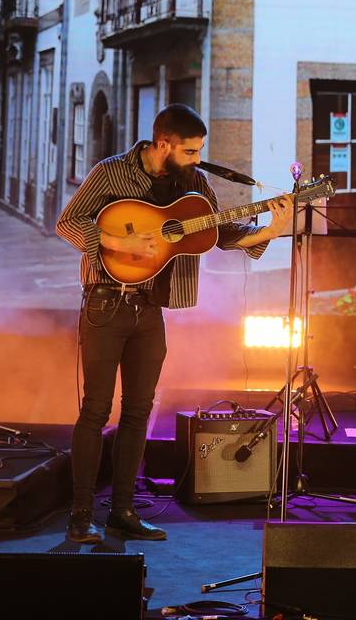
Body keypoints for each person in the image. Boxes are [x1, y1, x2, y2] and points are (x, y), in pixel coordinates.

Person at [56, 104, 292, 543]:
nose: (197, 159)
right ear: (163, 144)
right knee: (95, 410)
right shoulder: (111, 173)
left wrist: (273, 229)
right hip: (105, 305)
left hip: (151, 310)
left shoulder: (194, 184)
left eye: (200, 150)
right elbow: (67, 222)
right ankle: (80, 514)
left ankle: (122, 511)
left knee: (139, 411)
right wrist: (116, 239)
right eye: (189, 151)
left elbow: (221, 235)